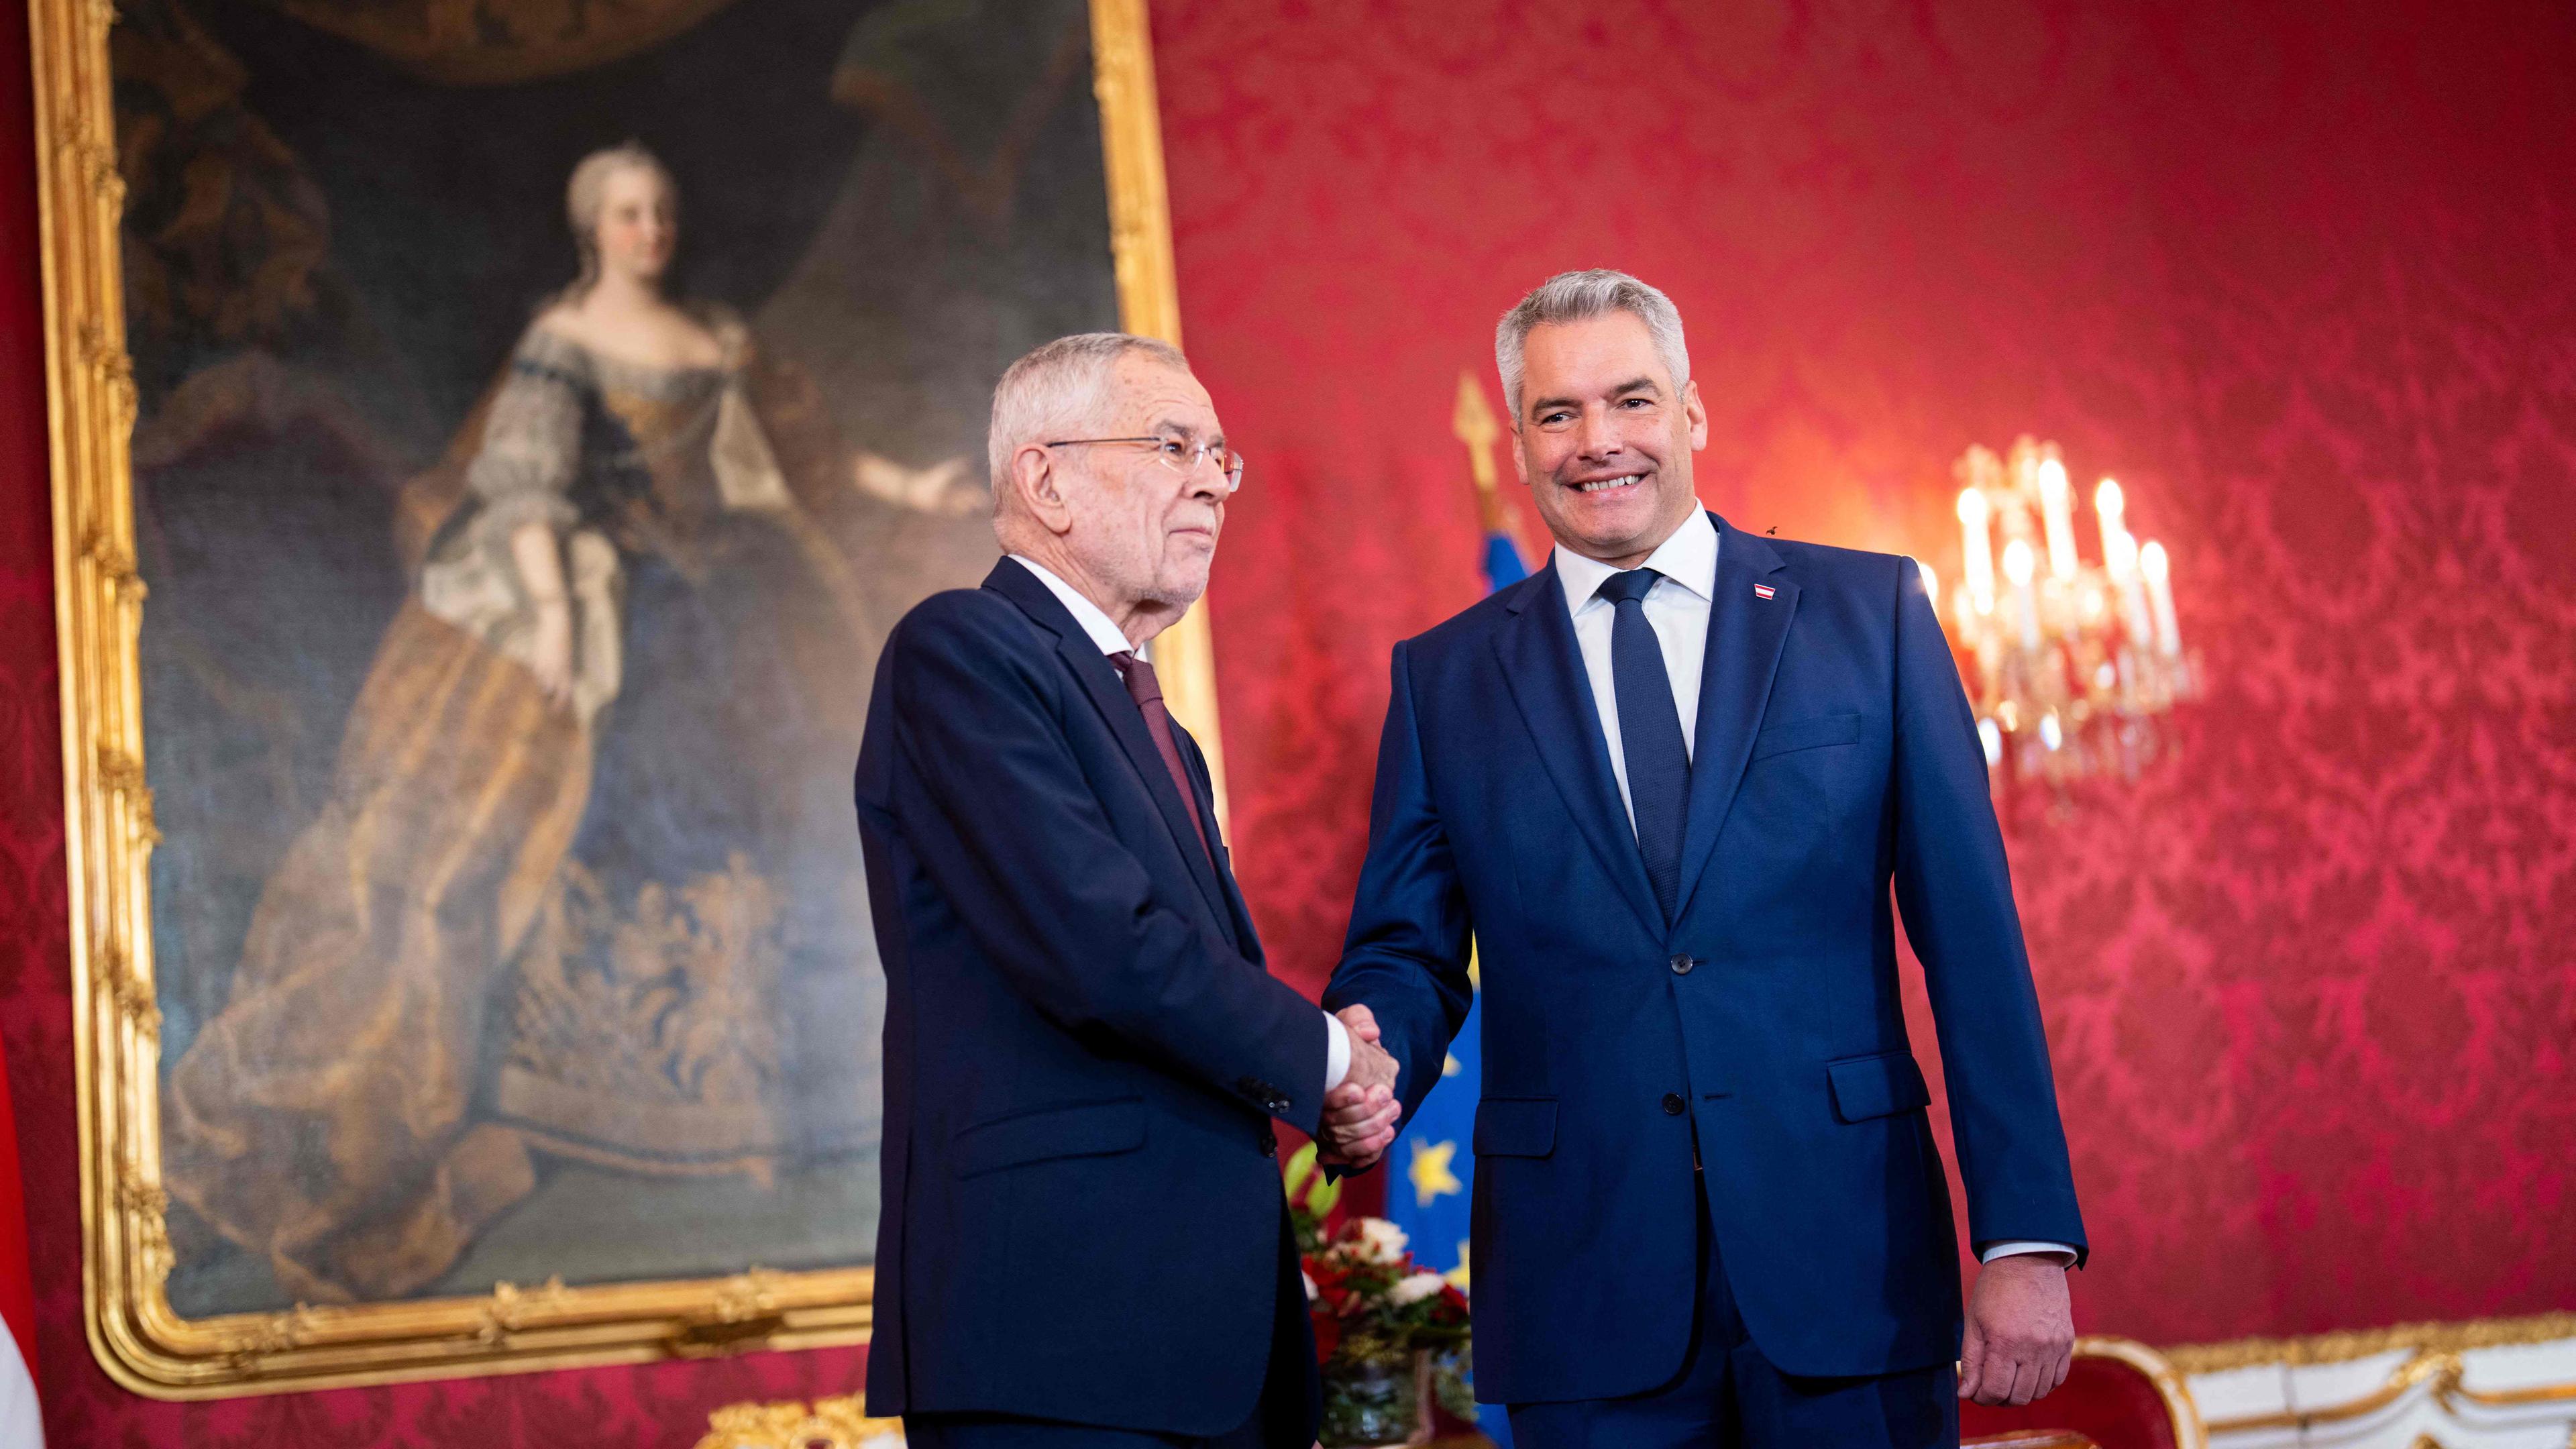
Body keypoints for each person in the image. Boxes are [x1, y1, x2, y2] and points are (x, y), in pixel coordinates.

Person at [1318, 270, 2086, 1448]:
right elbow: (1408, 952)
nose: (1599, 443)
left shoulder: (1867, 612)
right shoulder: (1446, 678)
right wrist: (1370, 1047)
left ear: (1692, 413)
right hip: (1585, 1290)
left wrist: (2024, 1237)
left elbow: (1974, 943)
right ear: (1520, 444)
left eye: (1631, 400)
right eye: (1558, 414)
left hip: (1853, 1266)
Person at [162, 142, 873, 1302]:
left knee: (774, 806)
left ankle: (758, 1106)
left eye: (661, 211)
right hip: (609, 616)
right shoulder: (560, 346)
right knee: (545, 817)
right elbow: (522, 483)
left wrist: (905, 494)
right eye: (629, 214)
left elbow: (784, 476)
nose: (651, 231)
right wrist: (550, 610)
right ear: (592, 229)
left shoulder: (715, 345)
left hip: (723, 613)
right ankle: (588, 1098)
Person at [857, 333, 1399, 1448]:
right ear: (1045, 480)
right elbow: (1108, 951)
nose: (1211, 478)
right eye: (1171, 445)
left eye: (1219, 455)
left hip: (1208, 1337)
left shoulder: (1162, 731)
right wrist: (1335, 1061)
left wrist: (1326, 1073)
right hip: (1058, 1344)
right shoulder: (961, 651)